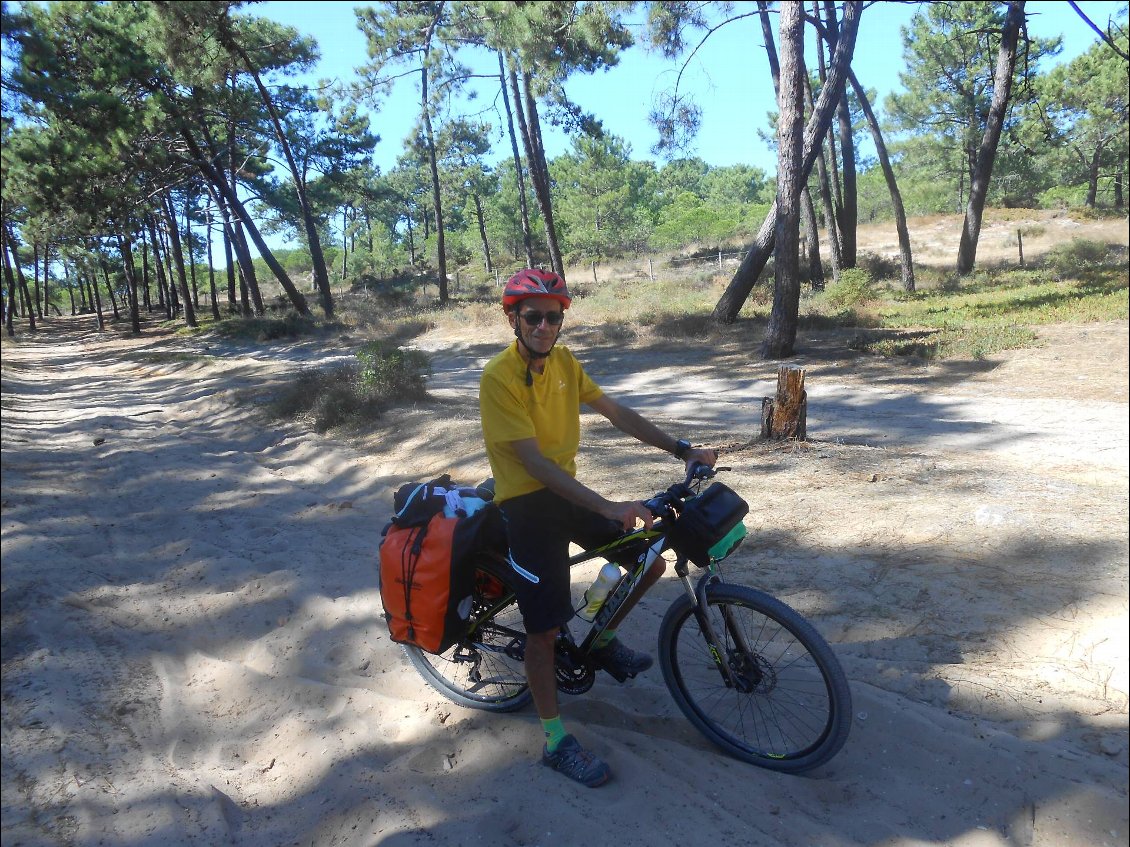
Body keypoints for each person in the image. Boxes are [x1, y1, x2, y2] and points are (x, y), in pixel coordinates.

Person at [479, 268, 717, 787]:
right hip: (527, 506)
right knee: (542, 632)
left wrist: (682, 448)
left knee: (648, 555)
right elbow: (534, 465)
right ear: (513, 319)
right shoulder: (497, 378)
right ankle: (554, 739)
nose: (545, 325)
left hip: (566, 494)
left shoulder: (563, 362)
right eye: (533, 316)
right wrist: (608, 505)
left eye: (553, 315)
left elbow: (616, 413)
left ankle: (600, 636)